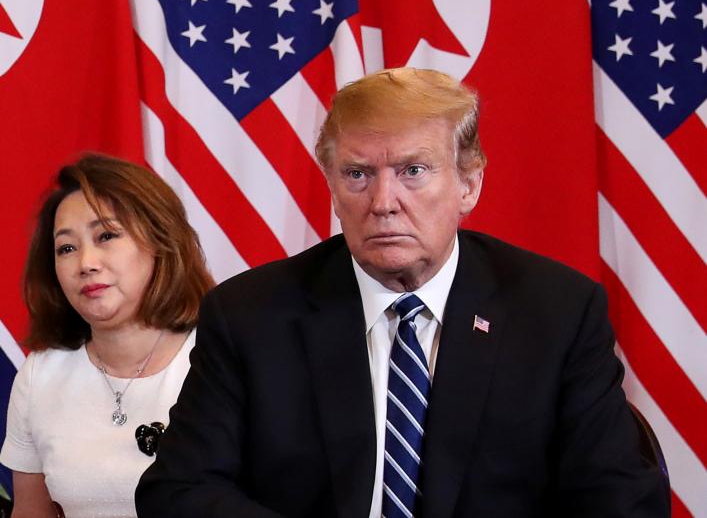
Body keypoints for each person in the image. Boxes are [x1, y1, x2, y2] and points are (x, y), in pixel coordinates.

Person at [136, 68, 668, 517]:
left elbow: (620, 499)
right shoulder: (250, 317)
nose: (384, 201)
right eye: (358, 174)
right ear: (332, 186)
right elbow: (178, 491)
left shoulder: (555, 313)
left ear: (469, 184)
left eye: (413, 171)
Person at [0, 154, 215, 517]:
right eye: (66, 248)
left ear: (161, 242)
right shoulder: (40, 376)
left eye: (106, 236)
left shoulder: (221, 356)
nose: (86, 263)